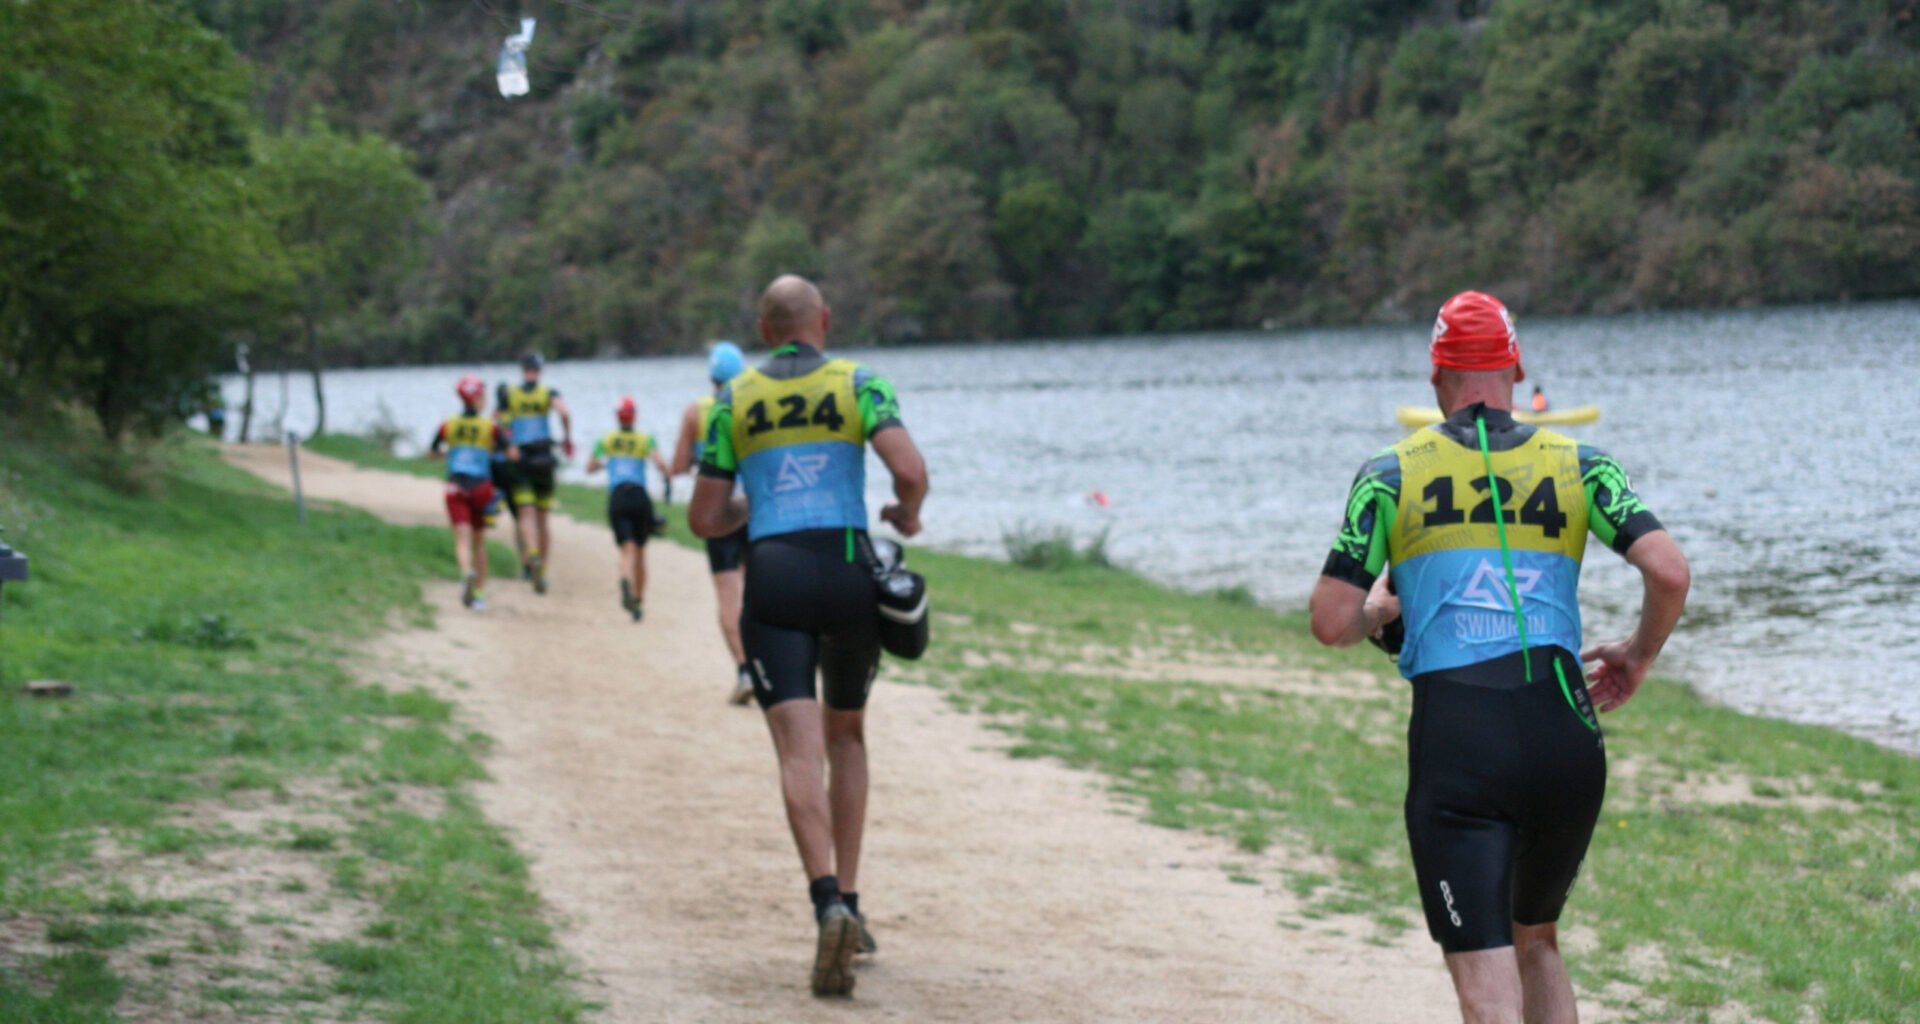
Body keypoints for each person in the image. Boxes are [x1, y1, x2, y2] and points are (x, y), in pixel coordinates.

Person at [1307, 290, 1689, 1024]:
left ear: (1434, 375)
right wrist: (1638, 655)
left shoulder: (1388, 474)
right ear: (1515, 368)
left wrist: (1384, 609)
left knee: (1487, 995)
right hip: (1565, 735)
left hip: (1461, 741)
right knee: (1537, 940)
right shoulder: (1584, 463)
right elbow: (1669, 571)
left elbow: (1332, 622)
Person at [689, 275, 928, 998]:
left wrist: (758, 499)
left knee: (795, 747)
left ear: (765, 331)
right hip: (848, 570)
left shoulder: (731, 401)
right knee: (845, 735)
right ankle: (852, 904)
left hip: (775, 576)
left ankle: (824, 901)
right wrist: (906, 514)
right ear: (824, 320)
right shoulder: (861, 383)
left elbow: (705, 519)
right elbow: (910, 471)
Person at [672, 340, 754, 704]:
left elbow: (677, 466)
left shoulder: (696, 412)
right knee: (760, 592)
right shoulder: (754, 403)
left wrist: (696, 466)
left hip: (718, 510)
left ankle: (744, 669)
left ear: (710, 376)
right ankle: (772, 664)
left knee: (728, 595)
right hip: (754, 509)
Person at [586, 397, 671, 622]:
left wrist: (607, 464)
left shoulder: (607, 439)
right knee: (641, 552)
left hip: (618, 498)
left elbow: (590, 466)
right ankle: (639, 601)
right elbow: (660, 463)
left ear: (617, 416)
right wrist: (668, 481)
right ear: (635, 416)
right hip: (639, 497)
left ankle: (625, 577)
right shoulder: (645, 439)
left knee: (627, 548)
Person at [427, 376, 504, 612]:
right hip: (481, 487)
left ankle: (465, 573)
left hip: (455, 488)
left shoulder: (447, 425)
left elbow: (431, 453)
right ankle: (479, 594)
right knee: (479, 543)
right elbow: (508, 452)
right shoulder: (489, 426)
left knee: (462, 540)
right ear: (478, 397)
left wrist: (450, 453)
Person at [498, 352, 572, 594]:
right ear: (540, 371)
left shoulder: (510, 395)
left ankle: (531, 556)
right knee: (543, 518)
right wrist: (567, 438)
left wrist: (506, 445)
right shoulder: (548, 393)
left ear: (522, 369)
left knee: (525, 515)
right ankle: (544, 569)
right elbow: (564, 413)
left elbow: (496, 422)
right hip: (544, 457)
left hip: (520, 458)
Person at [486, 382, 532, 578]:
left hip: (497, 469)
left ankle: (495, 500)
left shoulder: (494, 417)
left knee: (516, 515)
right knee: (521, 517)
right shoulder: (517, 416)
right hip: (515, 468)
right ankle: (527, 563)